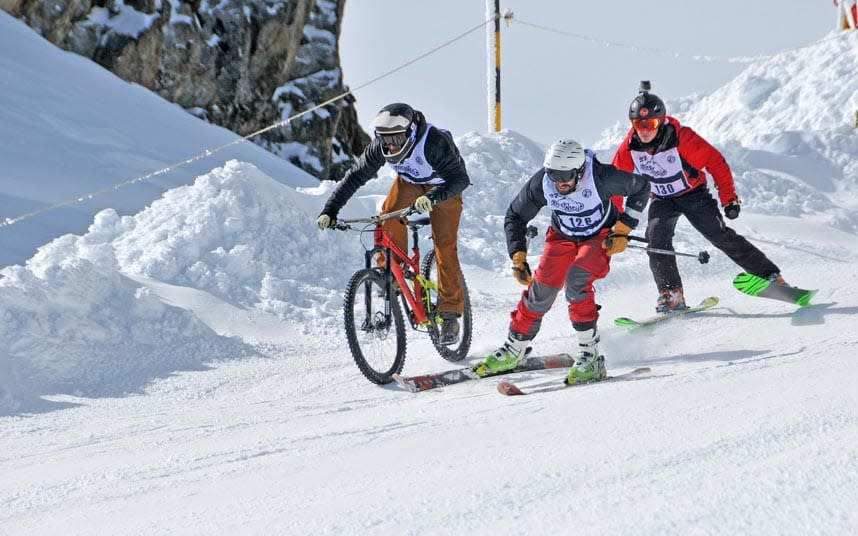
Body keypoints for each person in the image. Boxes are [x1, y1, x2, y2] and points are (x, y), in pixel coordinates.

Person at [474, 139, 650, 384]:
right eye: (553, 174)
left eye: (565, 175)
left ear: (578, 171)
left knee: (577, 280)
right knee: (541, 288)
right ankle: (516, 348)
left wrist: (623, 228)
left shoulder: (601, 177)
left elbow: (641, 187)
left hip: (598, 236)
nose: (559, 182)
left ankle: (590, 356)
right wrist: (518, 255)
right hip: (562, 235)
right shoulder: (543, 184)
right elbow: (515, 215)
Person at [612, 81, 791, 313]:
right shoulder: (629, 148)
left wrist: (729, 199)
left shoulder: (682, 139)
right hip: (661, 199)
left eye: (651, 123)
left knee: (718, 235)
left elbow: (716, 162)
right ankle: (671, 293)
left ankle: (770, 276)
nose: (645, 130)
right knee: (656, 241)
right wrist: (613, 224)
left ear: (662, 120)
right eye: (638, 124)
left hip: (693, 194)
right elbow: (616, 183)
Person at [316, 102, 470, 344]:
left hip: (444, 187)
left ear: (410, 132)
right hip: (409, 183)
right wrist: (330, 209)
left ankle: (450, 314)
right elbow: (356, 175)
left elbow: (460, 178)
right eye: (385, 138)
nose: (390, 145)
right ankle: (391, 271)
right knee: (387, 214)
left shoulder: (434, 142)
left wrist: (433, 197)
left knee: (445, 246)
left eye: (397, 139)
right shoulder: (381, 146)